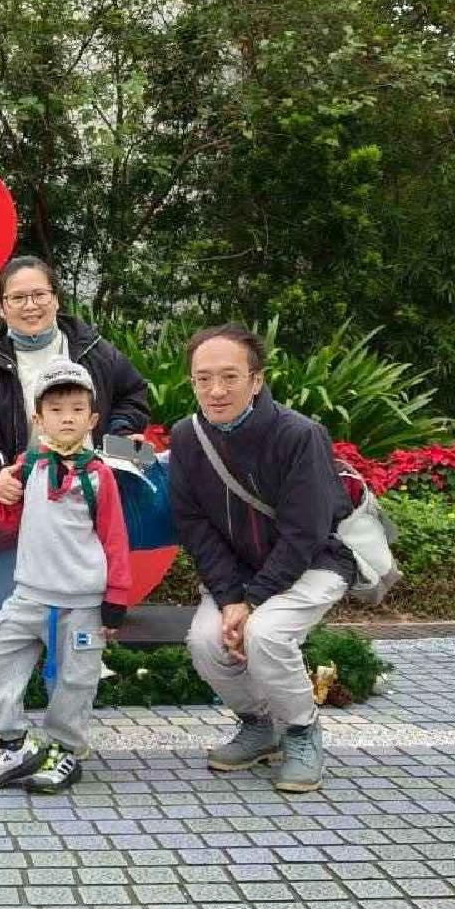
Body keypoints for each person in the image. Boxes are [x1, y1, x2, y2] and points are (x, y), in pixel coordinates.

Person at [168, 323, 357, 794]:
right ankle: (259, 725)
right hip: (241, 576)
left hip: (313, 564)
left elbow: (304, 532)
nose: (216, 390)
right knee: (205, 641)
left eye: (229, 377)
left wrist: (251, 601)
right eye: (203, 378)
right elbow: (195, 527)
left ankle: (301, 730)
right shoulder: (187, 437)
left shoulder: (300, 435)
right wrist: (231, 597)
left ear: (256, 380)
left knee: (266, 634)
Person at [0, 358, 131, 794]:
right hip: (29, 595)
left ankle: (65, 751)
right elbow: (6, 521)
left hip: (82, 603)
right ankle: (14, 744)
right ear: (38, 418)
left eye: (77, 409)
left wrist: (117, 596)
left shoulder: (100, 475)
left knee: (76, 679)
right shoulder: (27, 466)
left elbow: (114, 538)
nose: (66, 418)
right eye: (55, 409)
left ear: (92, 420)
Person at [0, 256, 149, 633]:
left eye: (39, 294)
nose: (30, 306)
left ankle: (71, 672)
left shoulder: (94, 350)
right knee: (7, 606)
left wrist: (120, 433)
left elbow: (133, 393)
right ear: (1, 308)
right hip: (19, 499)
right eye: (17, 298)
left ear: (56, 298)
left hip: (83, 498)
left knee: (82, 607)